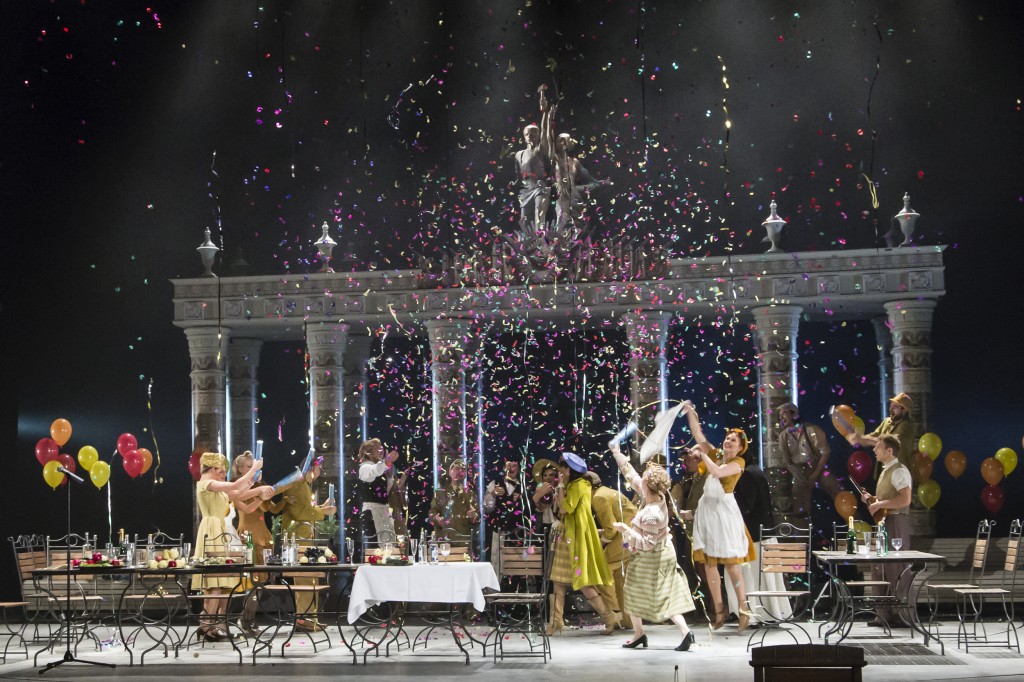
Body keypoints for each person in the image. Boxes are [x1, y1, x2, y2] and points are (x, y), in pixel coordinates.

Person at [608, 441, 697, 651]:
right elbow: (631, 475)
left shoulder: (652, 513)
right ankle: (643, 634)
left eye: (645, 477)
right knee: (654, 593)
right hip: (658, 553)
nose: (641, 478)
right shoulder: (654, 496)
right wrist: (617, 453)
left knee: (653, 594)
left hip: (654, 557)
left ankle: (679, 632)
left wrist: (626, 530)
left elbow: (647, 544)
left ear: (649, 484)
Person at [681, 402, 756, 633]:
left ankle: (743, 609)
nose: (728, 441)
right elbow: (698, 434)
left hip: (724, 513)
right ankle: (719, 609)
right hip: (707, 512)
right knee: (709, 564)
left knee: (732, 565)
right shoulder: (717, 455)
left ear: (740, 446)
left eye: (733, 440)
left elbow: (717, 472)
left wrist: (704, 455)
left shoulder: (738, 463)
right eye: (727, 438)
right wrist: (691, 412)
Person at [191, 452, 273, 642]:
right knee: (214, 583)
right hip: (212, 530)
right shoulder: (206, 483)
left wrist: (259, 491)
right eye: (221, 471)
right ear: (212, 469)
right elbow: (235, 487)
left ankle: (210, 626)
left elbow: (239, 494)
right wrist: (254, 469)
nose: (224, 474)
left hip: (220, 531)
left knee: (220, 584)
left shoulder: (217, 489)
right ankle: (206, 625)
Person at [546, 452, 618, 636]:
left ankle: (609, 617)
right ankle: (556, 621)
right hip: (566, 536)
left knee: (583, 582)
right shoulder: (575, 485)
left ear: (569, 470)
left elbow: (565, 508)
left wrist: (560, 487)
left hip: (575, 538)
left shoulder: (578, 485)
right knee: (558, 580)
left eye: (562, 469)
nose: (560, 472)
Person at [273, 456, 337, 631]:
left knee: (310, 578)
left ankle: (310, 617)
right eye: (319, 469)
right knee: (304, 579)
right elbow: (300, 513)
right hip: (297, 539)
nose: (320, 472)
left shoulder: (304, 485)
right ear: (311, 468)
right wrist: (324, 512)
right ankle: (303, 619)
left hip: (304, 537)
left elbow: (307, 510)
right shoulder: (297, 484)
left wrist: (322, 508)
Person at [862, 434, 913, 628]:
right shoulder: (886, 471)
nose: (874, 450)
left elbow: (905, 499)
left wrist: (880, 504)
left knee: (897, 567)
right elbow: (886, 499)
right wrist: (872, 499)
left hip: (895, 522)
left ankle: (903, 615)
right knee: (880, 567)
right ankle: (883, 615)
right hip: (884, 522)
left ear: (889, 450)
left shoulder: (899, 470)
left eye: (878, 447)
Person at [231, 451, 276, 636]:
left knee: (260, 582)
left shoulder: (259, 485)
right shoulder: (236, 487)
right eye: (249, 467)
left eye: (255, 467)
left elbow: (268, 507)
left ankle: (250, 618)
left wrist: (268, 491)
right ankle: (245, 618)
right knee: (251, 581)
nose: (253, 470)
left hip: (262, 535)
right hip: (247, 536)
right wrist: (259, 493)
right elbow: (245, 506)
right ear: (240, 469)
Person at [728, 459, 777, 625]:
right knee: (756, 577)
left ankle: (757, 613)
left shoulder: (747, 473)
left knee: (752, 577)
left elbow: (746, 506)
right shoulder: (754, 470)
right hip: (759, 534)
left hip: (753, 536)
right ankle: (757, 612)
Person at [587, 470, 638, 630]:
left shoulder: (599, 497)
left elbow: (610, 528)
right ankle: (627, 619)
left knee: (600, 570)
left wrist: (600, 543)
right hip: (631, 536)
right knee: (621, 578)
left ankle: (614, 613)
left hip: (623, 538)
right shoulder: (606, 492)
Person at [777, 402, 842, 518]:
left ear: (794, 414)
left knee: (837, 492)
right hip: (799, 471)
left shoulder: (812, 429)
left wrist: (815, 475)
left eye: (784, 413)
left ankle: (854, 520)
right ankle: (804, 526)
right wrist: (800, 477)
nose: (781, 417)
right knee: (800, 507)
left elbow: (825, 453)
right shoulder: (783, 436)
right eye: (780, 415)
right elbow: (787, 461)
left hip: (818, 467)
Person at [849, 392, 917, 477]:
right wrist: (858, 437)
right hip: (884, 473)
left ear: (904, 409)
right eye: (891, 406)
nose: (890, 409)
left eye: (895, 407)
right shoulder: (886, 421)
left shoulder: (907, 426)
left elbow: (891, 443)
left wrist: (863, 439)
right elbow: (873, 436)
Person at [513, 86, 553, 232]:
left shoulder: (540, 150)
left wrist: (545, 112)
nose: (531, 136)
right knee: (525, 222)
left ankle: (540, 243)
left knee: (539, 218)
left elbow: (546, 132)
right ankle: (527, 245)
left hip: (540, 188)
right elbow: (518, 176)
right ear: (524, 136)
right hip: (526, 190)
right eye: (528, 134)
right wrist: (516, 183)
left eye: (534, 133)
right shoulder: (518, 154)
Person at [484, 458, 526, 570]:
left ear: (519, 468)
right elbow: (487, 509)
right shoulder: (495, 483)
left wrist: (519, 501)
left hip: (517, 532)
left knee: (514, 562)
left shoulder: (524, 486)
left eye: (514, 466)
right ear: (503, 468)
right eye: (508, 465)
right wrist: (493, 494)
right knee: (496, 559)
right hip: (498, 530)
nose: (511, 468)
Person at [357, 438, 400, 540]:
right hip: (372, 513)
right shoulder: (365, 467)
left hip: (383, 511)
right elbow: (374, 470)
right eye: (377, 449)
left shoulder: (380, 468)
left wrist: (389, 475)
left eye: (381, 448)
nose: (381, 451)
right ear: (368, 453)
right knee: (376, 546)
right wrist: (386, 462)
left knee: (388, 542)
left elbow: (385, 490)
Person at [429, 459, 480, 541]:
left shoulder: (470, 494)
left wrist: (474, 517)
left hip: (464, 540)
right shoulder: (440, 492)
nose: (460, 471)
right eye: (457, 468)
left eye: (463, 469)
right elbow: (432, 513)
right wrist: (437, 519)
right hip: (445, 540)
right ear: (450, 472)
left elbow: (478, 517)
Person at [531, 459, 559, 538]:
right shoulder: (538, 490)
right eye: (545, 475)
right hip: (540, 526)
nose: (548, 478)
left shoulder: (559, 491)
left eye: (551, 475)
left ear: (555, 477)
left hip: (556, 526)